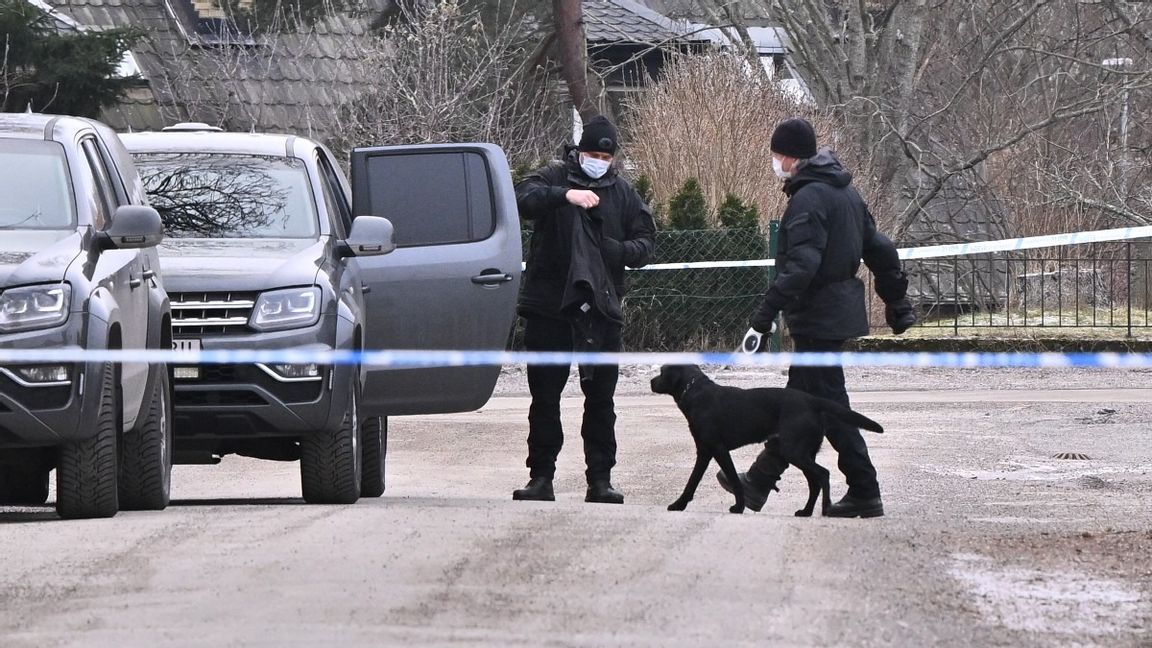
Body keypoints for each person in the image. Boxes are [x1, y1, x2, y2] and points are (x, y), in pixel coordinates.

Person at [720, 117, 916, 518]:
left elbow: (801, 267)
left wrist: (764, 315)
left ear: (789, 156)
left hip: (819, 316)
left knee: (828, 406)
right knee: (800, 404)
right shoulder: (847, 195)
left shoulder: (809, 200)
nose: (775, 162)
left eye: (777, 155)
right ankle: (758, 482)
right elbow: (881, 250)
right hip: (834, 314)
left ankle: (865, 488)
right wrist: (898, 304)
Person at [511, 115, 657, 504]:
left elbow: (646, 242)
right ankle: (541, 477)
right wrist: (565, 196)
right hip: (550, 306)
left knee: (601, 400)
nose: (599, 161)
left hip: (601, 311)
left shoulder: (623, 194)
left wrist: (618, 252)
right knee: (545, 398)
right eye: (592, 154)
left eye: (605, 156)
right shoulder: (553, 177)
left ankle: (601, 481)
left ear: (613, 157)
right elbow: (523, 198)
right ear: (579, 152)